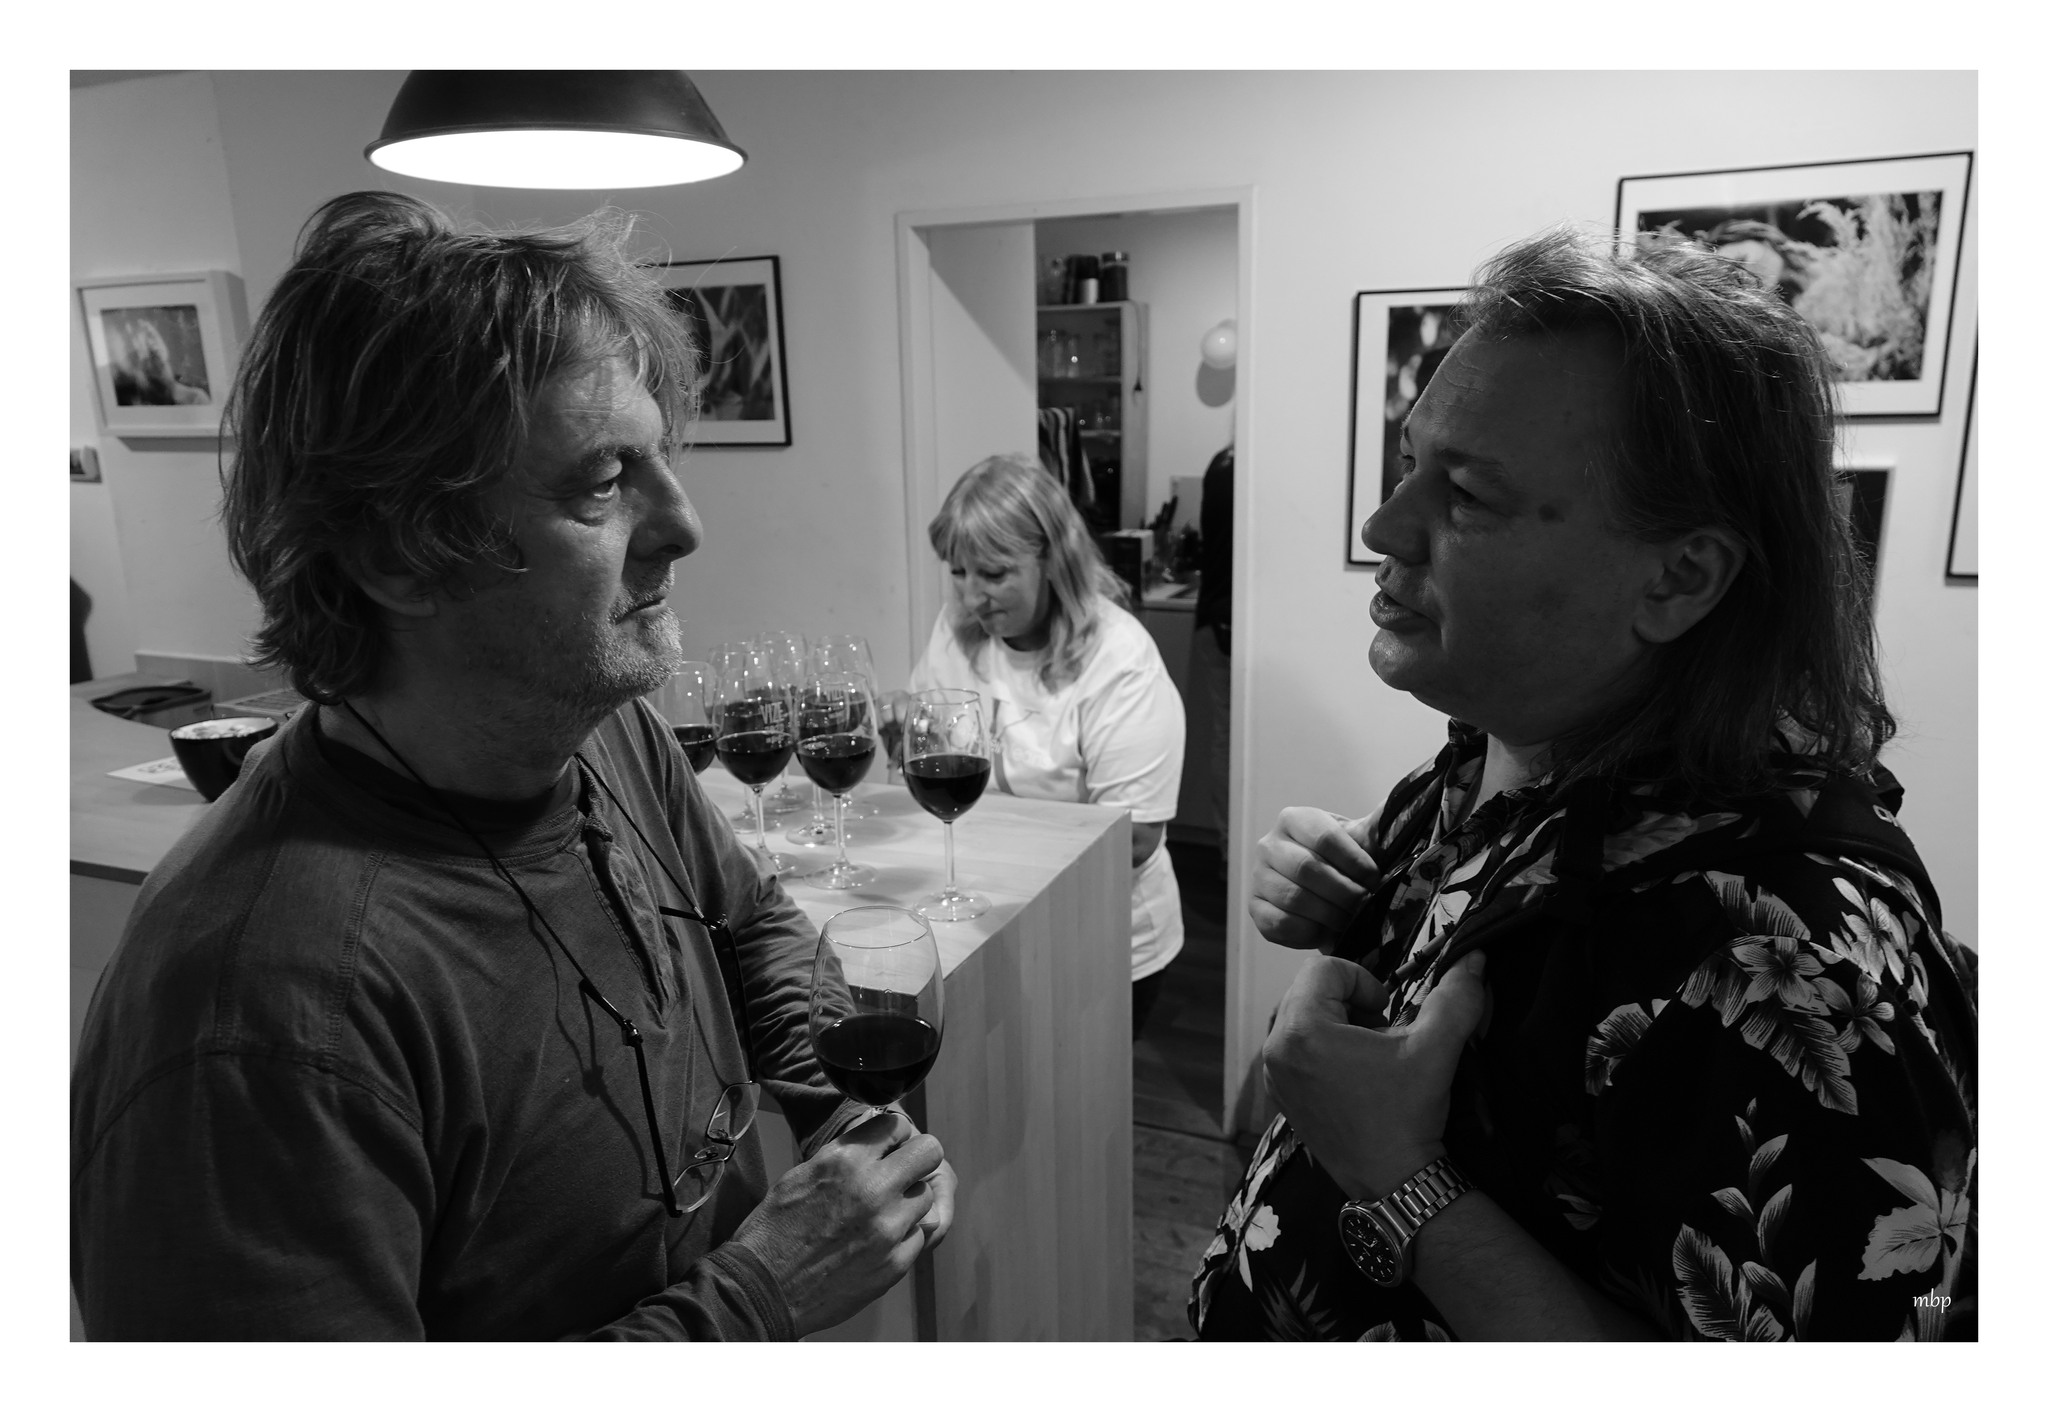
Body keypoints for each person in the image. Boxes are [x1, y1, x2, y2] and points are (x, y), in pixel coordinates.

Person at [71, 191, 954, 1340]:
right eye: (602, 480)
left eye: (660, 459)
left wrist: (828, 1096)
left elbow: (745, 922)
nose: (683, 525)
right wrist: (758, 1294)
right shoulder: (254, 1019)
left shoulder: (601, 729)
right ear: (398, 552)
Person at [1192, 227, 1975, 1341]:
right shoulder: (1497, 755)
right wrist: (1355, 900)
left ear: (1679, 577)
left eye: (1467, 494)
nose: (1382, 526)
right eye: (1409, 463)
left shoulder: (1798, 968)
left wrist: (1399, 1177)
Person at [904, 454, 1186, 1035]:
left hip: (1102, 934)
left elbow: (1133, 840)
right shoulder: (956, 633)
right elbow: (926, 742)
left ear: (1054, 562)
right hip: (988, 920)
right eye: (958, 572)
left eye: (994, 574)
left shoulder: (1119, 660)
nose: (972, 597)